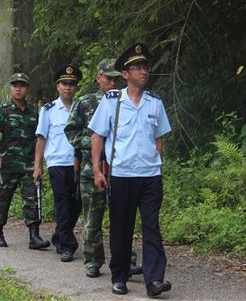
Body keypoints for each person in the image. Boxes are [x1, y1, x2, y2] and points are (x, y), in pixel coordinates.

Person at [89, 44, 172, 297]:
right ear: (125, 74)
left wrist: (157, 165)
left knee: (151, 227)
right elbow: (97, 137)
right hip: (122, 175)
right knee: (121, 228)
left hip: (150, 177)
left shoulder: (155, 103)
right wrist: (97, 170)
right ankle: (119, 276)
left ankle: (154, 280)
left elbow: (159, 139)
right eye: (137, 68)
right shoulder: (112, 101)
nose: (143, 71)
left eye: (145, 67)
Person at [64, 58, 143, 278]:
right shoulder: (86, 103)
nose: (112, 83)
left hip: (120, 171)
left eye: (116, 79)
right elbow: (71, 132)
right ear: (99, 78)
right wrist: (96, 142)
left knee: (123, 219)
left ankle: (127, 261)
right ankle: (93, 261)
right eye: (108, 78)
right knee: (93, 220)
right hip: (92, 171)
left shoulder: (128, 100)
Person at [0, 72, 50, 250]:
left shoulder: (34, 113)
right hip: (7, 163)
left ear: (27, 89)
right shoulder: (2, 110)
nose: (18, 88)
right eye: (15, 85)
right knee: (3, 198)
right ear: (10, 87)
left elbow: (40, 137)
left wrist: (39, 164)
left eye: (22, 85)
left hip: (29, 164)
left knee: (32, 199)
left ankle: (34, 236)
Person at [34, 64, 83, 263]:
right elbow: (41, 138)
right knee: (62, 203)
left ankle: (59, 235)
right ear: (57, 86)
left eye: (72, 84)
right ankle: (67, 245)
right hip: (57, 162)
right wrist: (38, 166)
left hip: (78, 163)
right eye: (64, 83)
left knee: (77, 203)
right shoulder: (48, 110)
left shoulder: (83, 107)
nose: (68, 87)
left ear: (76, 87)